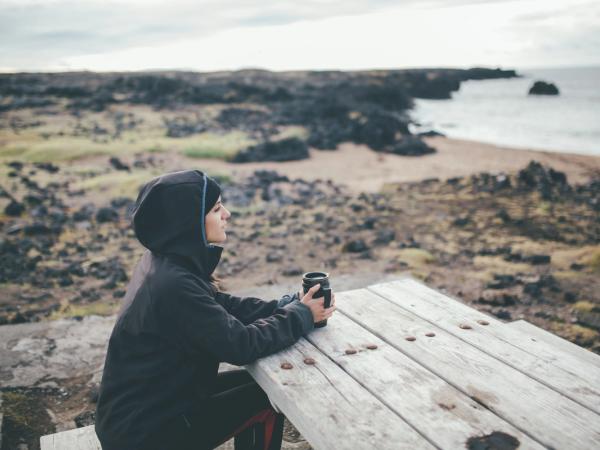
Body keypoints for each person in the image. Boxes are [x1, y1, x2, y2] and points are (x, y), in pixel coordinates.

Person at [94, 169, 336, 450]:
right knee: (270, 397)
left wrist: (285, 305)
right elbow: (241, 345)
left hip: (142, 413)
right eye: (217, 208)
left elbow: (219, 306)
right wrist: (302, 315)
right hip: (147, 435)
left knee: (262, 384)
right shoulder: (172, 284)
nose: (227, 214)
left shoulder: (164, 262)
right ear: (188, 222)